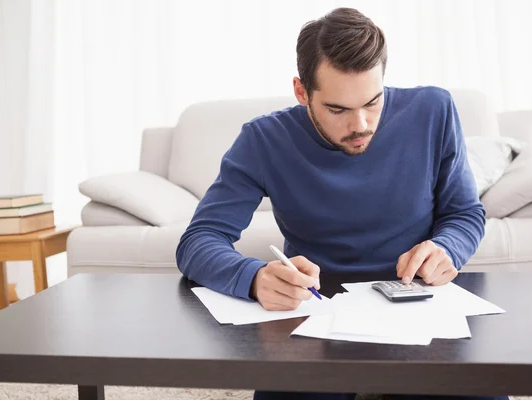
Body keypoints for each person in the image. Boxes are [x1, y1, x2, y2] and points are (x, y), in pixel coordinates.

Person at [176, 7, 504, 400]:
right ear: (301, 92)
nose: (361, 125)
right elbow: (198, 241)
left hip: (418, 302)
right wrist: (253, 277)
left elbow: (464, 213)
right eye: (337, 109)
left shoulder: (433, 111)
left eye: (372, 102)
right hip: (317, 315)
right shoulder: (263, 140)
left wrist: (447, 246)